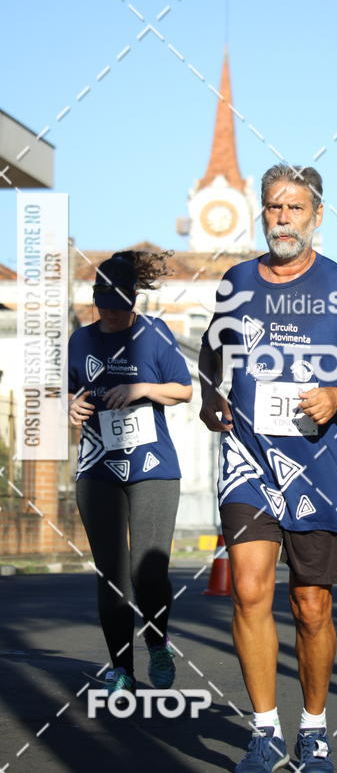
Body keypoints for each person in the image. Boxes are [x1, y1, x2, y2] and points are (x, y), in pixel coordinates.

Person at [198, 164, 337, 772]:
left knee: (312, 606)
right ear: (261, 213)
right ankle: (264, 730)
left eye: (294, 209)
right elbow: (214, 353)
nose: (281, 220)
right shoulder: (236, 282)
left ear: (318, 215)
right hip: (247, 460)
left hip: (317, 468)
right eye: (272, 208)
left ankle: (313, 728)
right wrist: (212, 397)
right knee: (251, 589)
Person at [68, 249, 192, 699]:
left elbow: (184, 390)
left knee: (148, 569)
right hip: (98, 466)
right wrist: (72, 406)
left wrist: (142, 388)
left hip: (153, 467)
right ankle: (122, 667)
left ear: (134, 302)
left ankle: (158, 644)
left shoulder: (156, 334)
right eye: (106, 308)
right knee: (112, 573)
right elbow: (72, 393)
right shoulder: (79, 341)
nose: (115, 317)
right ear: (97, 301)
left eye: (122, 310)